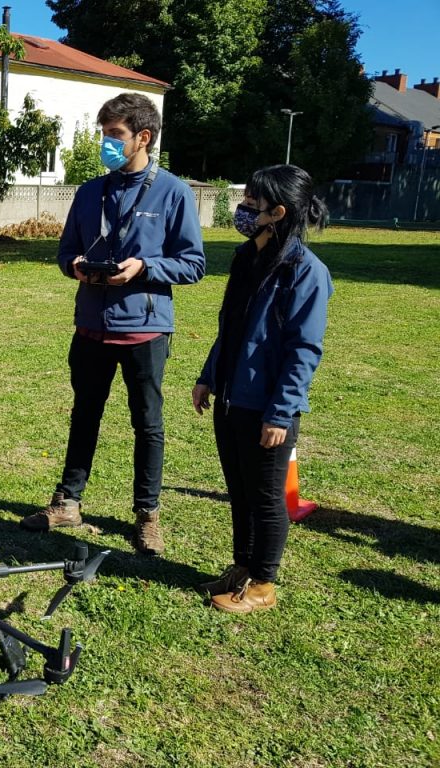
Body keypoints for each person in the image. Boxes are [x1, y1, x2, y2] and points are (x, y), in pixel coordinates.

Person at [21, 92, 205, 556]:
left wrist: (144, 267)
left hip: (144, 331)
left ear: (143, 137)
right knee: (85, 415)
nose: (106, 143)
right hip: (90, 327)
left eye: (114, 136)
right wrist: (76, 267)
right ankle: (67, 502)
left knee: (148, 424)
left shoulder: (174, 192)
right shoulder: (88, 192)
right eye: (104, 134)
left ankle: (147, 514)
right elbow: (65, 253)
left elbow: (193, 264)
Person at [192, 164, 332, 614]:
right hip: (231, 398)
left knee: (267, 497)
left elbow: (303, 349)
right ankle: (241, 566)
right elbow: (231, 328)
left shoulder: (305, 272)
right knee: (239, 489)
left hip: (267, 408)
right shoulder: (245, 257)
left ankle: (264, 584)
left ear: (279, 211)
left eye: (253, 203)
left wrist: (280, 412)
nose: (244, 208)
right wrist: (209, 375)